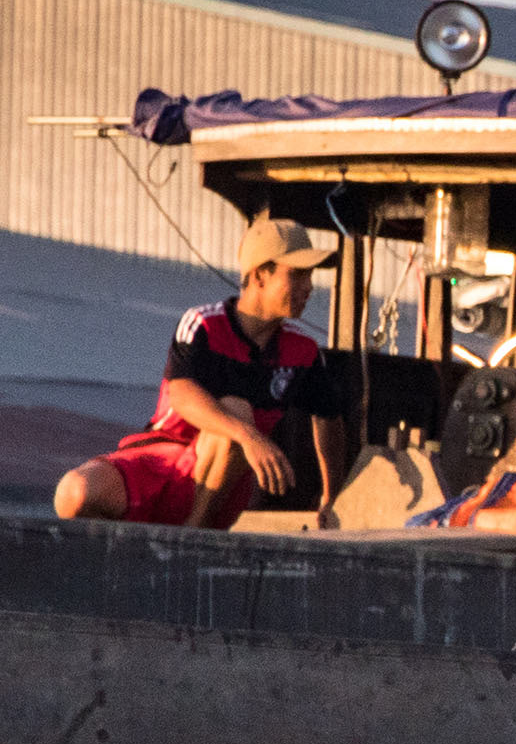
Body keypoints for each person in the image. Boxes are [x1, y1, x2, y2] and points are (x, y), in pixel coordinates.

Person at [54, 216, 352, 529]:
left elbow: (328, 418)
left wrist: (331, 497)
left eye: (310, 276)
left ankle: (192, 539)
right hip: (160, 460)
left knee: (236, 411)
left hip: (220, 488)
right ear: (260, 276)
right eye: (298, 275)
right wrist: (249, 436)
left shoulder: (303, 351)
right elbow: (181, 394)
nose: (309, 287)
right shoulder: (204, 324)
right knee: (74, 493)